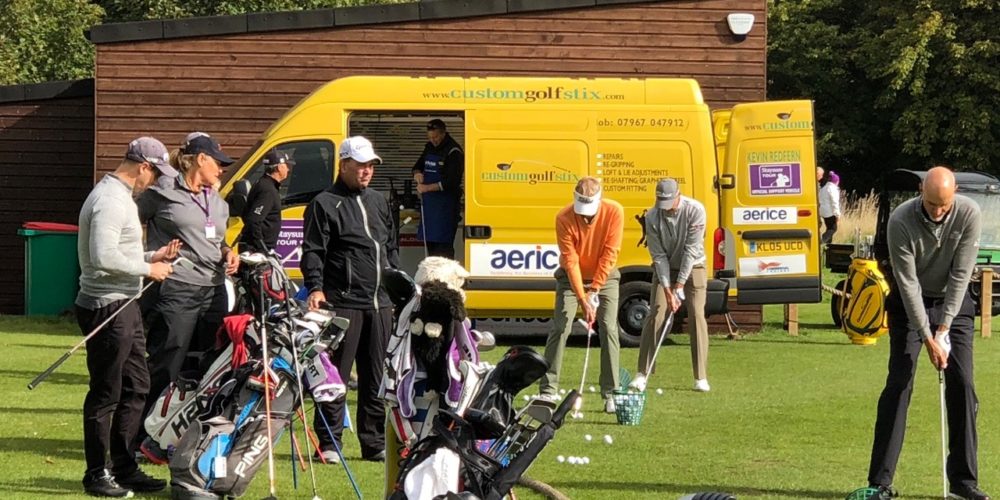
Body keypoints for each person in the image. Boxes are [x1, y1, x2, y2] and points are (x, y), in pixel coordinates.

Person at [865, 167, 989, 500]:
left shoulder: (968, 212)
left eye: (943, 205)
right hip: (910, 306)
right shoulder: (900, 221)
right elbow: (907, 285)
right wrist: (927, 335)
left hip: (955, 300)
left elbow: (962, 273)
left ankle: (964, 482)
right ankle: (880, 482)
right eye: (931, 203)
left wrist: (944, 328)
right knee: (900, 382)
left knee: (962, 383)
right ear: (921, 190)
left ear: (955, 194)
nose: (937, 211)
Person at [76, 137, 180, 497]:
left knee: (137, 385)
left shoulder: (122, 198)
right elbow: (102, 256)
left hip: (125, 303)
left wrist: (153, 255)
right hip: (105, 305)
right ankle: (96, 474)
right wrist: (148, 269)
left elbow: (120, 251)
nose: (155, 182)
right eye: (156, 174)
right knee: (107, 392)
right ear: (143, 167)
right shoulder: (109, 200)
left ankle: (124, 467)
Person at [135, 133, 239, 459]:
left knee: (210, 368)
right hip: (177, 288)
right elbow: (130, 220)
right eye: (218, 163)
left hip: (214, 291)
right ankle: (139, 437)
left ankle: (192, 438)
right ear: (199, 159)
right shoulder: (161, 192)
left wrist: (228, 252)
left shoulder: (218, 202)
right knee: (168, 363)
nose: (222, 169)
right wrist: (146, 255)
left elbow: (215, 239)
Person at [301, 136, 399, 463]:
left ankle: (373, 444)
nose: (367, 171)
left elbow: (390, 247)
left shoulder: (379, 201)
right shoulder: (324, 203)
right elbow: (314, 251)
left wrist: (396, 286)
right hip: (342, 301)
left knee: (375, 378)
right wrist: (315, 287)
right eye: (360, 165)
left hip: (380, 304)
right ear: (344, 165)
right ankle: (329, 443)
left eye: (371, 165)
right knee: (336, 377)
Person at [540, 176, 623, 413]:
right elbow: (570, 260)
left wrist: (595, 290)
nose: (585, 216)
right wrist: (583, 298)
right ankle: (548, 389)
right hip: (569, 278)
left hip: (605, 277)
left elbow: (610, 254)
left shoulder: (614, 212)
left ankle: (611, 392)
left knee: (608, 326)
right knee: (561, 326)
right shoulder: (563, 217)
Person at [629, 178, 711, 393]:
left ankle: (700, 376)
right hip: (665, 267)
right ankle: (642, 373)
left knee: (695, 314)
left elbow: (691, 251)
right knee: (656, 312)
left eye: (668, 201)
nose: (664, 207)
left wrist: (680, 286)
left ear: (678, 196)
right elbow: (658, 256)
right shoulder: (652, 216)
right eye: (661, 202)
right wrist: (668, 290)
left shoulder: (695, 210)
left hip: (694, 267)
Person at [412, 119, 464, 259]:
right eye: (430, 137)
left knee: (443, 251)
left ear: (443, 134)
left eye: (435, 137)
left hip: (446, 210)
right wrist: (417, 173)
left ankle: (446, 279)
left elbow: (451, 182)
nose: (433, 140)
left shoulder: (454, 152)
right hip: (429, 209)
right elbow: (418, 165)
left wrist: (427, 188)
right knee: (431, 250)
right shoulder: (429, 147)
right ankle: (432, 278)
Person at [239, 149, 293, 253]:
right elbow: (254, 220)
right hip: (256, 251)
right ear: (279, 167)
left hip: (259, 248)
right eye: (286, 166)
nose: (288, 169)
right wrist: (261, 248)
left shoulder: (265, 184)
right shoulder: (267, 190)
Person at [819, 170, 842, 244]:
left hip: (822, 211)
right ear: (836, 181)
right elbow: (835, 202)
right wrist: (837, 215)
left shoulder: (823, 188)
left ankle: (828, 245)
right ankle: (822, 240)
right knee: (833, 229)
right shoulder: (833, 189)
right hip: (830, 212)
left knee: (829, 228)